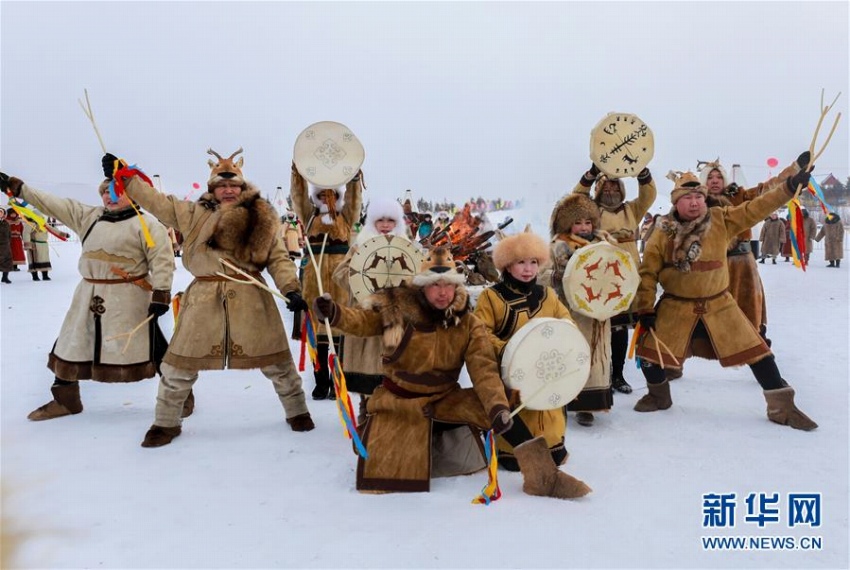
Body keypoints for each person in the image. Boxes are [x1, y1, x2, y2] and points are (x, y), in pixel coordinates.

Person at [313, 246, 591, 499]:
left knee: (502, 403)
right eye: (435, 285)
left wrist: (496, 408)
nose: (443, 292)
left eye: (448, 284)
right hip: (399, 402)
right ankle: (376, 434)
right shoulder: (396, 309)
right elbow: (362, 321)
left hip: (444, 397)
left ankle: (543, 476)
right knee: (387, 470)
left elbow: (484, 370)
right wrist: (334, 312)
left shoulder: (467, 324)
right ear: (422, 287)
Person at [105, 148, 315, 447]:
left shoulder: (263, 216)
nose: (228, 190)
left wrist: (291, 288)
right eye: (221, 186)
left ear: (242, 187)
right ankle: (165, 422)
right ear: (212, 189)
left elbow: (279, 258)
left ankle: (297, 412)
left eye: (233, 185)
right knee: (179, 365)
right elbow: (156, 202)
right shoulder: (193, 213)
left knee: (278, 363)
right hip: (203, 299)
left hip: (252, 298)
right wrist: (124, 178)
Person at [632, 169, 817, 431]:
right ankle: (659, 395)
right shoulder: (662, 230)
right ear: (675, 202)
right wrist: (645, 307)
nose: (695, 202)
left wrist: (788, 187)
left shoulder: (721, 218)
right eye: (688, 197)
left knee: (759, 352)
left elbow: (757, 207)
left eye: (699, 196)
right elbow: (648, 272)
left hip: (720, 304)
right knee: (649, 352)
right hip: (676, 305)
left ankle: (782, 407)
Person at [0, 171, 175, 421]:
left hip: (129, 296)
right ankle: (66, 400)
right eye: (105, 191)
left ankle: (179, 397)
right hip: (89, 292)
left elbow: (162, 260)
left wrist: (161, 293)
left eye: (117, 191)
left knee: (153, 345)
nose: (109, 196)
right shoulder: (89, 217)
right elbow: (53, 203)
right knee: (69, 342)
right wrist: (20, 189)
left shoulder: (147, 225)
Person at [473, 228, 575, 472]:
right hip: (510, 377)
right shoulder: (492, 297)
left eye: (533, 262)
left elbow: (566, 324)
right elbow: (480, 332)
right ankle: (513, 449)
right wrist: (511, 350)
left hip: (546, 372)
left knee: (549, 414)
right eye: (521, 262)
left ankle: (551, 445)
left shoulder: (548, 295)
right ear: (507, 265)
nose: (528, 269)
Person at [699, 155, 807, 351]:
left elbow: (767, 190)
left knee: (750, 308)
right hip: (712, 266)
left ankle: (758, 350)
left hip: (741, 262)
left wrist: (795, 169)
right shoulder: (696, 204)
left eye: (718, 177)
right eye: (709, 177)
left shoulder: (739, 196)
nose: (714, 181)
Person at [572, 164, 657, 395]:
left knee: (619, 329)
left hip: (625, 278)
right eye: (606, 185)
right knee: (600, 330)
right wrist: (589, 175)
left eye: (614, 185)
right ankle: (601, 376)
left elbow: (649, 194)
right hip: (599, 276)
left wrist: (642, 173)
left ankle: (617, 375)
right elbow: (576, 198)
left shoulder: (632, 210)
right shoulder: (591, 211)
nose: (610, 189)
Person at [331, 196, 410, 423]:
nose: (385, 225)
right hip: (365, 314)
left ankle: (393, 415)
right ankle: (367, 412)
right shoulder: (359, 246)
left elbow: (417, 277)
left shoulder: (407, 247)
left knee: (394, 370)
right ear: (372, 222)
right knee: (368, 368)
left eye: (390, 221)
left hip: (397, 318)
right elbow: (339, 274)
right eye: (381, 220)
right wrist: (360, 280)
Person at [290, 161, 363, 400]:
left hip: (341, 279)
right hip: (315, 277)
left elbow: (354, 200)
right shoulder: (309, 217)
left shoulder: (346, 216)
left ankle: (338, 380)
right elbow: (298, 197)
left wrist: (353, 180)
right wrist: (297, 174)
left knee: (340, 329)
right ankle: (321, 382)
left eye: (330, 194)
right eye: (321, 195)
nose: (325, 198)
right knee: (319, 333)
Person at [549, 193, 617, 427]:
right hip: (571, 312)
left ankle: (589, 404)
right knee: (572, 356)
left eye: (588, 222)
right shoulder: (558, 247)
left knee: (596, 358)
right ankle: (569, 400)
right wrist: (558, 276)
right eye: (577, 223)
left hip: (598, 312)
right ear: (567, 224)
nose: (583, 227)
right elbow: (543, 276)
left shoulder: (605, 245)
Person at [0, 209, 13, 283]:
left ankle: (5, 277)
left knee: (7, 261)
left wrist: (8, 242)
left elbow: (9, 234)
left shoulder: (6, 223)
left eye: (1, 212)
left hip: (5, 245)